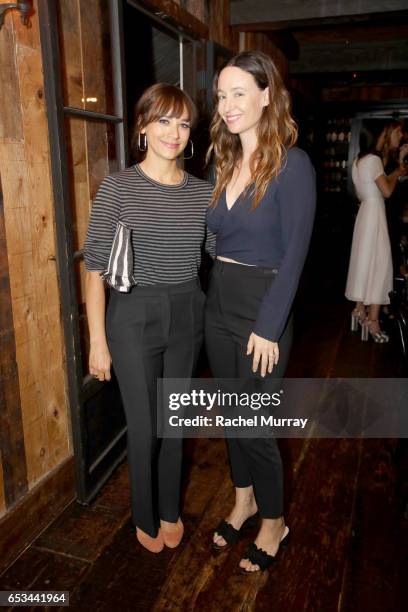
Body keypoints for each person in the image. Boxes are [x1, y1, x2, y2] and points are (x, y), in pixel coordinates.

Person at [84, 83, 214, 553]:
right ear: (142, 126)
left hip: (187, 309)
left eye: (182, 124)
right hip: (133, 314)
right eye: (163, 121)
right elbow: (95, 266)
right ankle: (144, 513)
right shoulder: (118, 187)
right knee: (143, 427)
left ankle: (169, 509)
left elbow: (221, 252)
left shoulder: (204, 193)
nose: (173, 133)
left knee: (174, 421)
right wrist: (97, 340)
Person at [205, 50, 316, 573]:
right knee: (230, 416)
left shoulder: (292, 164)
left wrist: (270, 327)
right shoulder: (222, 162)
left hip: (263, 307)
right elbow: (215, 238)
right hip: (220, 300)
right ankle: (244, 499)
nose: (227, 105)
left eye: (238, 93)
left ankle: (275, 521)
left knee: (255, 424)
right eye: (222, 95)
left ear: (267, 94)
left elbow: (295, 254)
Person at [345, 119, 408, 342]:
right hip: (375, 214)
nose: (400, 136)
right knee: (379, 266)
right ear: (381, 135)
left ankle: (359, 310)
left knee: (364, 263)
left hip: (365, 213)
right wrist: (397, 172)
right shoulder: (374, 160)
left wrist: (396, 171)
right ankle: (373, 320)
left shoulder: (358, 161)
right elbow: (388, 191)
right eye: (397, 132)